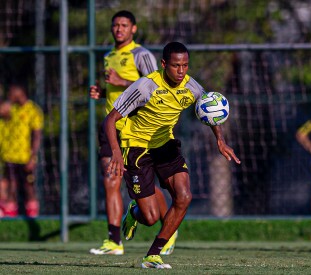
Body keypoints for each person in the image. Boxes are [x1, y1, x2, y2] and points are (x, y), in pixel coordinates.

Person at [103, 41, 241, 269]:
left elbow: (209, 107)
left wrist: (220, 139)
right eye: (176, 66)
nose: (181, 71)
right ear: (164, 64)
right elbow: (110, 119)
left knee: (184, 196)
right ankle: (134, 212)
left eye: (185, 65)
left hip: (165, 146)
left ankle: (153, 254)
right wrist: (116, 152)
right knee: (149, 217)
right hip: (137, 148)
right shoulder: (145, 86)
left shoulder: (190, 86)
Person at [89, 10, 176, 256]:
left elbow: (154, 87)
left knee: (145, 185)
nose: (119, 29)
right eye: (115, 25)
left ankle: (168, 228)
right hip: (110, 127)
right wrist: (103, 93)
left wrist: (119, 82)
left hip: (136, 129)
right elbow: (121, 96)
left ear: (133, 29)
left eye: (124, 25)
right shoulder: (109, 56)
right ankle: (114, 241)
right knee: (110, 181)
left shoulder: (141, 54)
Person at [0, 84, 43, 217]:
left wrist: (33, 156)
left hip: (25, 156)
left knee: (28, 186)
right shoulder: (10, 108)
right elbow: (3, 112)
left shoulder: (33, 110)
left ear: (20, 93)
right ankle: (10, 216)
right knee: (10, 186)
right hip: (8, 155)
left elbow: (36, 135)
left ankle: (32, 215)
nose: (10, 96)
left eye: (12, 93)